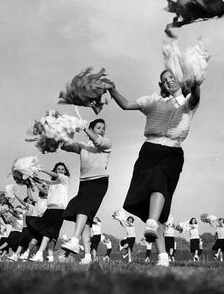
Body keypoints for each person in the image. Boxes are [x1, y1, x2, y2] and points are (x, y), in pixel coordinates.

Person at [107, 69, 200, 267]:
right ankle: (163, 256)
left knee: (159, 183)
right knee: (151, 210)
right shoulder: (152, 101)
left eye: (171, 78)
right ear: (161, 85)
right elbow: (126, 105)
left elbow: (196, 95)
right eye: (164, 80)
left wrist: (197, 82)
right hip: (149, 150)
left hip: (172, 153)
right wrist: (112, 90)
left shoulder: (188, 101)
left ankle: (151, 224)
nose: (168, 82)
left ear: (179, 81)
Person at [60, 119, 112, 265]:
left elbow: (98, 141)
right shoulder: (83, 147)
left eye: (103, 128)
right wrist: (68, 129)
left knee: (82, 209)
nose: (101, 130)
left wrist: (83, 128)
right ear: (91, 128)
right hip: (84, 184)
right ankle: (88, 256)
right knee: (85, 220)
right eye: (98, 128)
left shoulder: (106, 143)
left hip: (99, 181)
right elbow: (65, 146)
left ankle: (75, 240)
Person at [26, 162, 70, 262]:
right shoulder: (52, 183)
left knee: (49, 233)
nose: (60, 171)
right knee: (43, 231)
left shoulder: (65, 180)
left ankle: (40, 253)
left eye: (62, 169)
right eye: (58, 169)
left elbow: (54, 175)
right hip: (49, 210)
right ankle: (41, 254)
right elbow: (41, 183)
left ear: (65, 172)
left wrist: (41, 169)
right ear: (55, 170)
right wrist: (30, 177)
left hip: (59, 210)